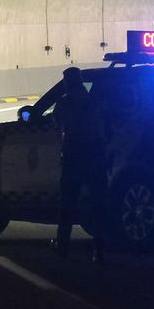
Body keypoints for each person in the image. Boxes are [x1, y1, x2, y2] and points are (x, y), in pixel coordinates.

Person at [51, 66, 108, 261]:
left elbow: (56, 124)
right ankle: (99, 249)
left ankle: (62, 245)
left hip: (72, 156)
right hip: (94, 155)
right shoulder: (95, 102)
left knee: (67, 204)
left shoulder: (64, 104)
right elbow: (106, 126)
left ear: (68, 83)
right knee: (98, 204)